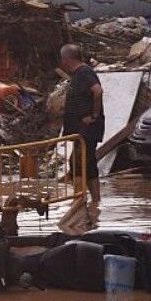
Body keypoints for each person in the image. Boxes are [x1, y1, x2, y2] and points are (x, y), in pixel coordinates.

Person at [59, 43, 104, 215]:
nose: (62, 63)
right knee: (90, 164)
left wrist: (93, 115)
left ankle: (78, 202)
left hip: (87, 130)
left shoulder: (84, 72)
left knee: (77, 163)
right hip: (81, 130)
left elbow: (98, 91)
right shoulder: (78, 74)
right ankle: (95, 203)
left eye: (62, 59)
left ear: (67, 59)